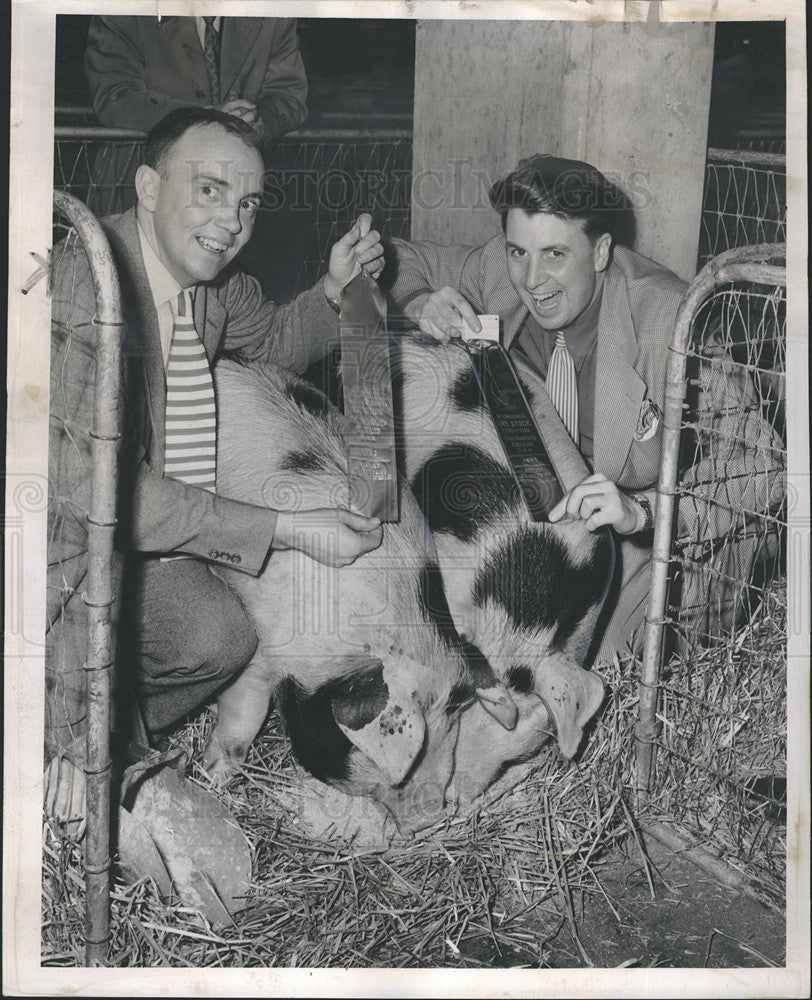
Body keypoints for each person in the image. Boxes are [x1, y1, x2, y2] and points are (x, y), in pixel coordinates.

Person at [45, 106, 385, 832]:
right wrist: (288, 527)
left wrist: (332, 290)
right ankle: (60, 736)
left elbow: (273, 344)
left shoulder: (211, 285)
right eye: (209, 190)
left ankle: (113, 723)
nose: (231, 221)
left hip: (149, 542)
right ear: (146, 185)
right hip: (51, 553)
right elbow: (98, 496)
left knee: (220, 637)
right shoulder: (87, 291)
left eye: (247, 202)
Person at [387, 153, 783, 661]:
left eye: (555, 255)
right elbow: (397, 259)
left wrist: (641, 513)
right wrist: (420, 300)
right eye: (517, 253)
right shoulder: (500, 270)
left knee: (602, 666)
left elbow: (765, 469)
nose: (531, 280)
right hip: (564, 529)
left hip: (668, 544)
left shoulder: (671, 320)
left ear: (599, 252)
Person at [83, 15, 308, 214]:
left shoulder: (273, 14)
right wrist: (202, 118)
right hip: (136, 185)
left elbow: (289, 97)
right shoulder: (124, 9)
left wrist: (257, 120)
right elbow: (114, 96)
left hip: (232, 191)